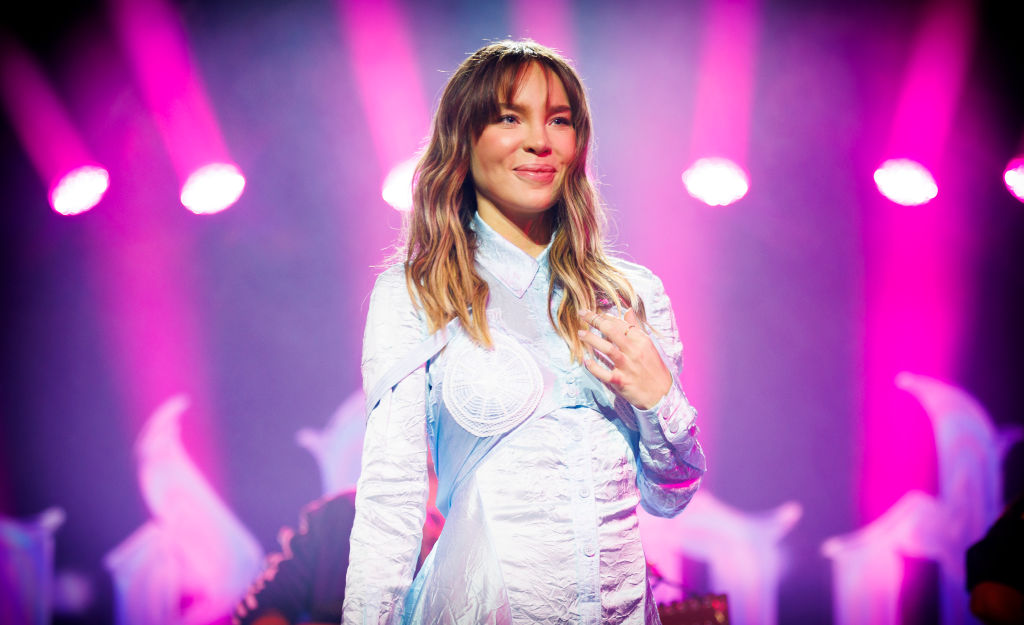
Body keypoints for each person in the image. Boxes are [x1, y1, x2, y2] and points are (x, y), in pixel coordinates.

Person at [342, 40, 706, 625]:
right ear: (465, 139)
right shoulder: (416, 292)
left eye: (558, 120)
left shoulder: (632, 294)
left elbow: (671, 494)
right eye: (511, 117)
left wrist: (660, 398)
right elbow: (392, 501)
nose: (541, 140)